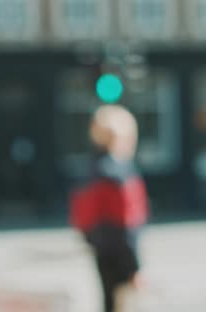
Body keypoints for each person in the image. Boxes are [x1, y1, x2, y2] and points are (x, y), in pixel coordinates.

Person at [70, 105, 149, 312]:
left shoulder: (91, 169)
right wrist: (135, 268)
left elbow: (82, 212)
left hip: (100, 246)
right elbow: (128, 222)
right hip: (122, 251)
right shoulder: (120, 174)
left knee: (108, 301)